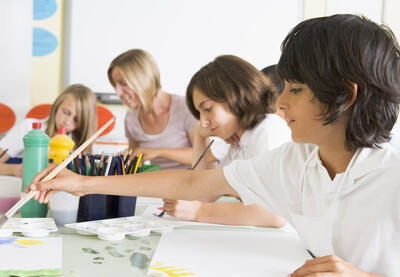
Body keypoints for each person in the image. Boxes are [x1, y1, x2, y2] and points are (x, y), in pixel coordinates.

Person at [30, 14, 400, 276]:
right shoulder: (297, 161)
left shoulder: (391, 177)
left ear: (344, 96)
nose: (281, 102)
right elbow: (194, 184)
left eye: (296, 89)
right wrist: (79, 182)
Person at [162, 55, 291, 227]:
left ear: (235, 96)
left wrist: (198, 211)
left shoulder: (268, 130)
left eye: (207, 109)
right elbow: (204, 194)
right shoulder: (240, 140)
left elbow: (273, 215)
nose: (203, 122)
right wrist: (201, 137)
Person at [107, 49, 196, 170]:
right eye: (115, 85)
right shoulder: (131, 117)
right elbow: (133, 158)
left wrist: (158, 152)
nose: (118, 93)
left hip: (188, 184)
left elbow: (204, 155)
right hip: (155, 185)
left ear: (143, 79)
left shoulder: (185, 108)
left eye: (123, 83)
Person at [0, 84, 97, 176]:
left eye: (76, 120)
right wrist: (15, 170)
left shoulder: (81, 142)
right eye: (66, 112)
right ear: (57, 106)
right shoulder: (29, 128)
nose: (67, 122)